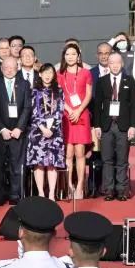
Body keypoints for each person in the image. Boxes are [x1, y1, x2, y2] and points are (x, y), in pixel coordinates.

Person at [91, 52, 135, 201]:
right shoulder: (102, 81)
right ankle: (109, 189)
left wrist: (133, 126)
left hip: (124, 125)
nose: (115, 65)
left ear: (122, 64)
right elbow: (97, 105)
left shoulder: (129, 80)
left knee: (122, 159)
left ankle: (122, 189)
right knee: (107, 159)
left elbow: (134, 106)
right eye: (112, 63)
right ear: (108, 65)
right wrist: (97, 125)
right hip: (106, 126)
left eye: (118, 62)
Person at [0, 57, 32, 205]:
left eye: (12, 67)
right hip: (1, 131)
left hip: (18, 131)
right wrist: (1, 128)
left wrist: (19, 128)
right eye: (6, 67)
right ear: (1, 69)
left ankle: (16, 195)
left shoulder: (24, 84)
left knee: (17, 165)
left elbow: (27, 107)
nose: (9, 70)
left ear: (17, 68)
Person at [58, 44, 93, 199]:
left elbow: (88, 94)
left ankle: (80, 186)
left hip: (82, 115)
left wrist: (78, 111)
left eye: (73, 54)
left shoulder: (86, 73)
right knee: (68, 153)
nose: (70, 57)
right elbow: (59, 95)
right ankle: (68, 186)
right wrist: (70, 110)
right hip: (66, 115)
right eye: (67, 54)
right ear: (64, 56)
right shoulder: (60, 74)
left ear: (78, 56)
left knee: (80, 153)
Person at [26, 64, 65, 200]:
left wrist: (52, 128)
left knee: (52, 163)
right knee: (39, 163)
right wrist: (42, 128)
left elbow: (60, 111)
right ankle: (41, 193)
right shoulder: (33, 91)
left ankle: (51, 193)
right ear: (40, 74)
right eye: (45, 72)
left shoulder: (58, 91)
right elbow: (31, 112)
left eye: (50, 72)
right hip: (38, 131)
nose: (48, 75)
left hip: (55, 131)